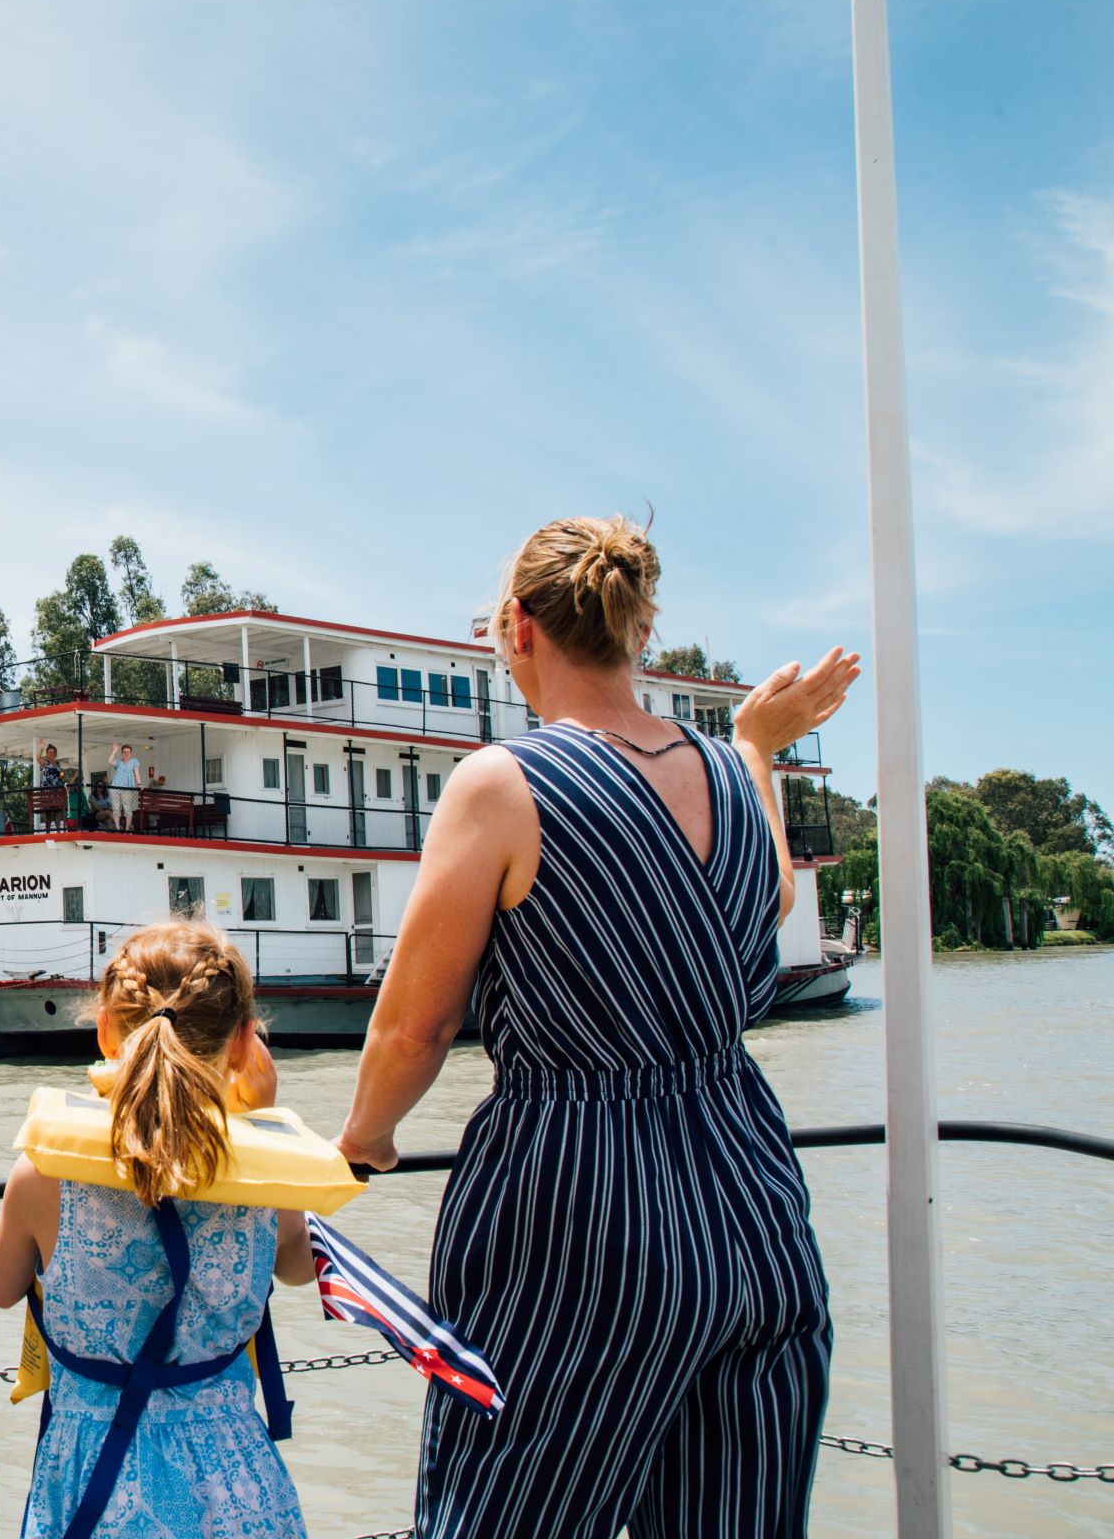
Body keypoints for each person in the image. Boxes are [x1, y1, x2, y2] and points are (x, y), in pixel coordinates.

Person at [337, 515, 858, 1539]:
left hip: (579, 1212)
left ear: (517, 628)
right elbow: (775, 909)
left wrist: (362, 1142)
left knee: (507, 1513)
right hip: (752, 1201)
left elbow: (414, 1028)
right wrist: (753, 744)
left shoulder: (503, 785)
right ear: (637, 631)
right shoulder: (730, 783)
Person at [0, 920, 311, 1539]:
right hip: (234, 1482)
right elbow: (296, 1267)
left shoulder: (44, 1173)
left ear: (105, 1029)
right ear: (243, 1044)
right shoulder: (267, 1176)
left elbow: (0, 1287)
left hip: (92, 1479)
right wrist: (262, 1119)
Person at [108, 742, 143, 832]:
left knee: (127, 809)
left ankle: (127, 829)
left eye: (128, 752)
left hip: (127, 788)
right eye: (124, 752)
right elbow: (110, 762)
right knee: (116, 809)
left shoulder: (134, 761)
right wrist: (114, 751)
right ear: (122, 753)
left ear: (131, 753)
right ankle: (117, 829)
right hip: (115, 787)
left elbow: (136, 773)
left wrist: (139, 783)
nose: (126, 753)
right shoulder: (119, 762)